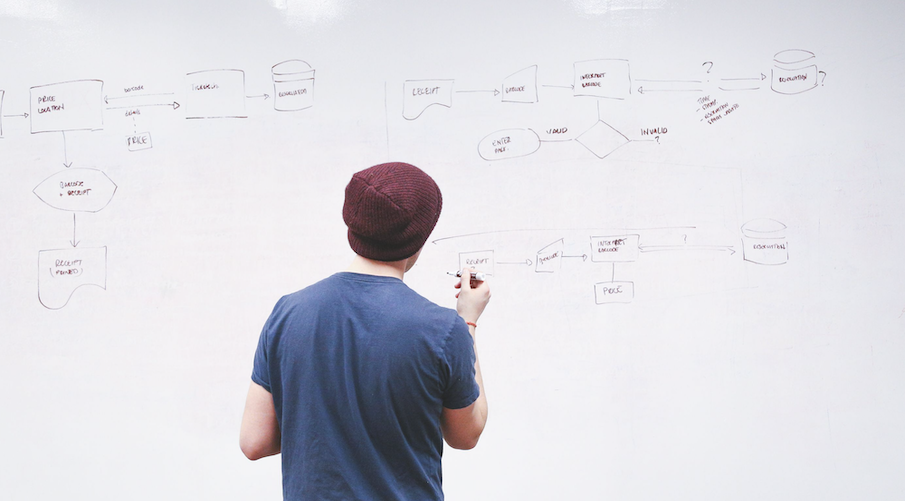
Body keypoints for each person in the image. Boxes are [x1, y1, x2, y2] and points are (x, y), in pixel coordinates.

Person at [239, 161, 491, 500]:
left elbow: (255, 441)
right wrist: (468, 322)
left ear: (353, 224)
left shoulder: (288, 312)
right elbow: (466, 435)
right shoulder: (443, 329)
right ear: (419, 238)